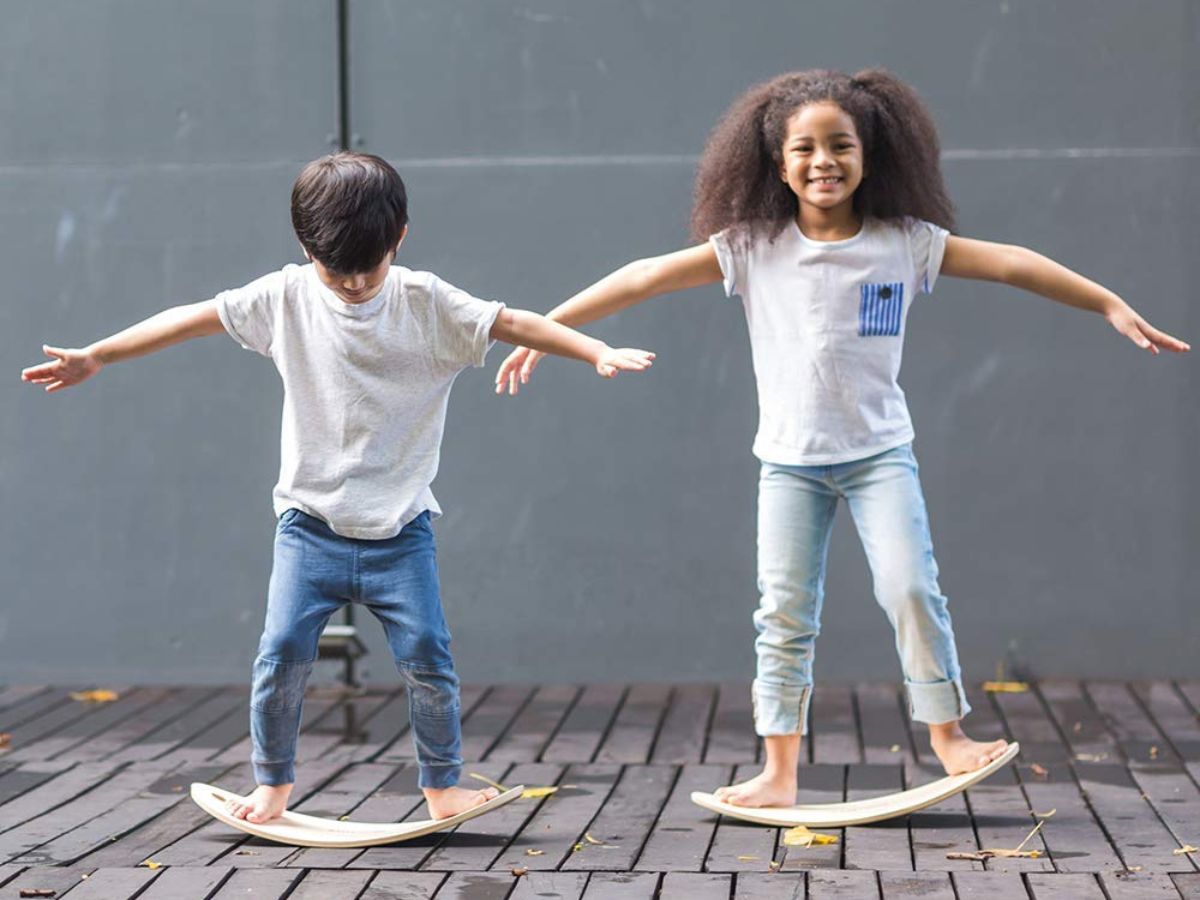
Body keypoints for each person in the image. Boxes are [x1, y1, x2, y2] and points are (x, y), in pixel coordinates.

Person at [494, 69, 1188, 808]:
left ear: (869, 154)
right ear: (777, 161)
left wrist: (1107, 302)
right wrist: (551, 326)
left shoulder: (905, 244)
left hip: (879, 458)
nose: (823, 160)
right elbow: (643, 278)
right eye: (805, 148)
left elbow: (1014, 263)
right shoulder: (750, 247)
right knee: (785, 613)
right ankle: (779, 771)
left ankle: (948, 735)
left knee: (912, 589)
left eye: (840, 145)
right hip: (789, 466)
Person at [21, 151, 655, 823]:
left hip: (401, 534)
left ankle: (444, 787)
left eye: (368, 269)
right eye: (336, 271)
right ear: (304, 246)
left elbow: (513, 322)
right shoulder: (286, 296)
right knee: (280, 657)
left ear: (400, 237)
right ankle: (271, 787)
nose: (353, 286)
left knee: (427, 658)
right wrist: (98, 354)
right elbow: (189, 317)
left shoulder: (427, 302)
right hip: (308, 528)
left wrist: (593, 351)